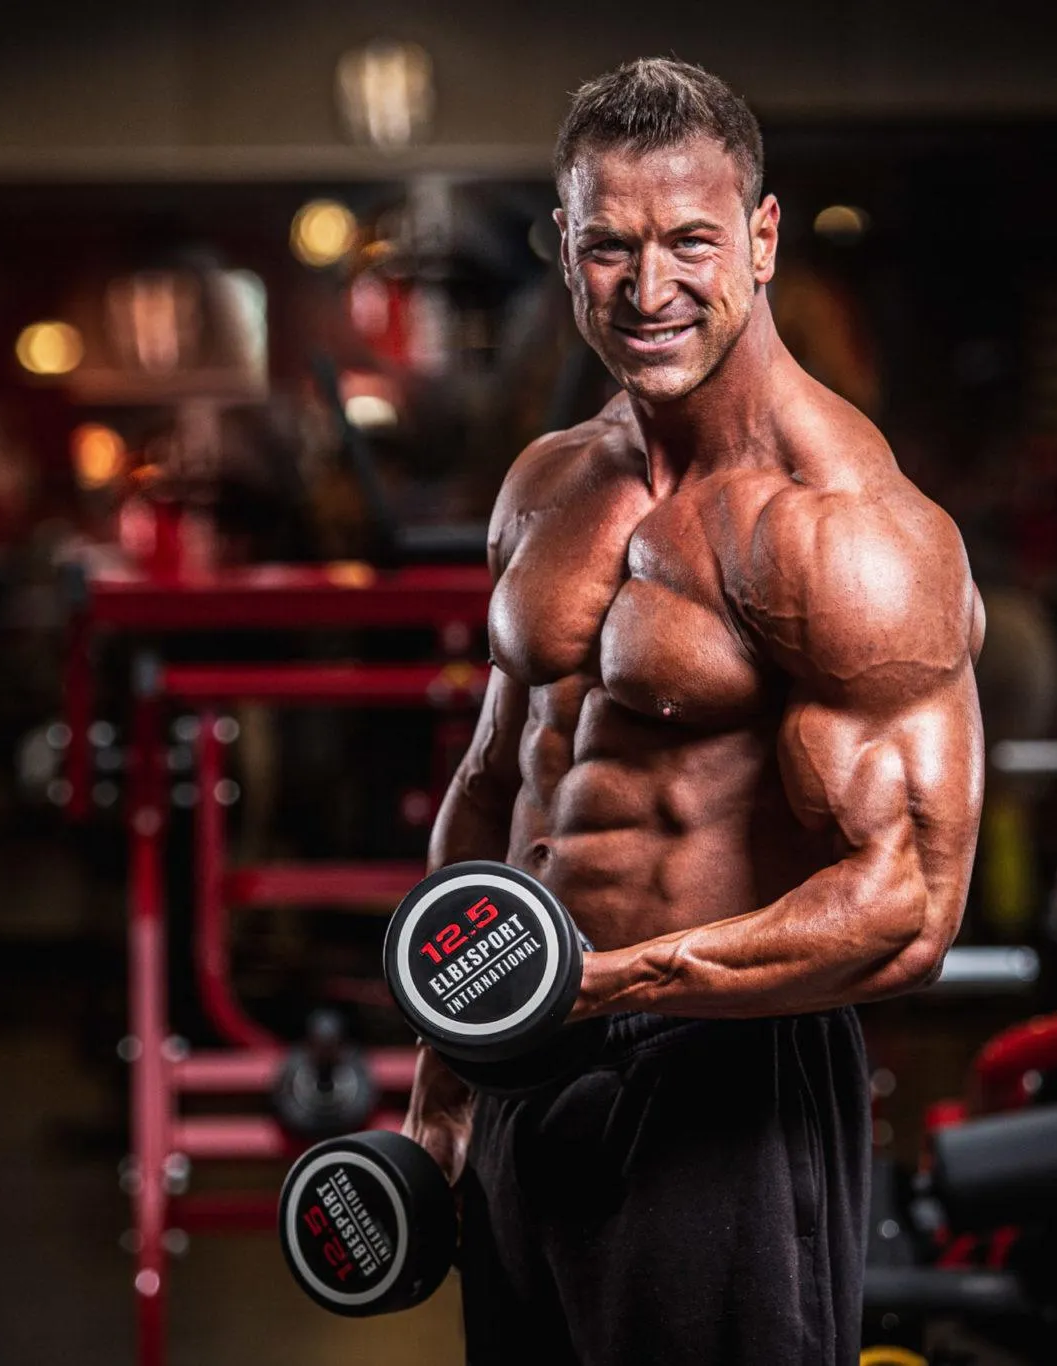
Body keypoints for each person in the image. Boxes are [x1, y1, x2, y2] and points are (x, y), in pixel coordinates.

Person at [401, 59, 984, 1366]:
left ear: (762, 239)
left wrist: (601, 984)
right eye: (608, 246)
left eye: (689, 242)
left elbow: (909, 906)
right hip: (523, 1062)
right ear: (565, 248)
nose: (646, 286)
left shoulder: (845, 530)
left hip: (721, 1073)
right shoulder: (546, 480)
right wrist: (446, 1060)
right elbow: (496, 779)